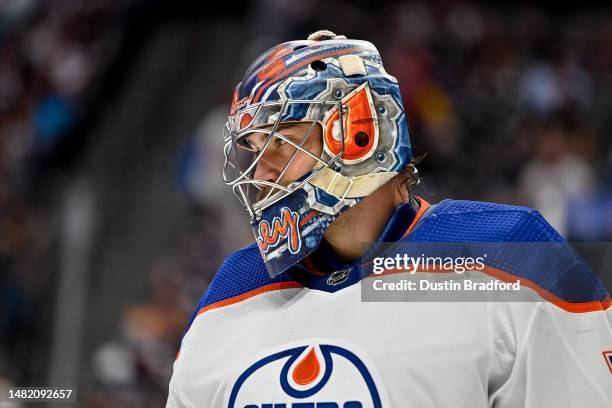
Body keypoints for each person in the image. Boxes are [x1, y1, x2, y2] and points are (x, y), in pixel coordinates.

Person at [166, 30, 612, 407]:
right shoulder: (231, 291)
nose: (260, 171)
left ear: (358, 133)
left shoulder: (509, 252)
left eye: (281, 144)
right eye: (254, 147)